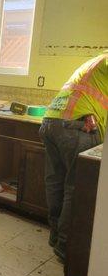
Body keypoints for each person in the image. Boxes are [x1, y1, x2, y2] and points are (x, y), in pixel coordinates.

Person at [40, 53, 107, 261]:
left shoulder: (92, 63)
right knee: (75, 187)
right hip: (78, 126)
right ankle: (64, 245)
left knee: (56, 182)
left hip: (52, 121)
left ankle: (55, 236)